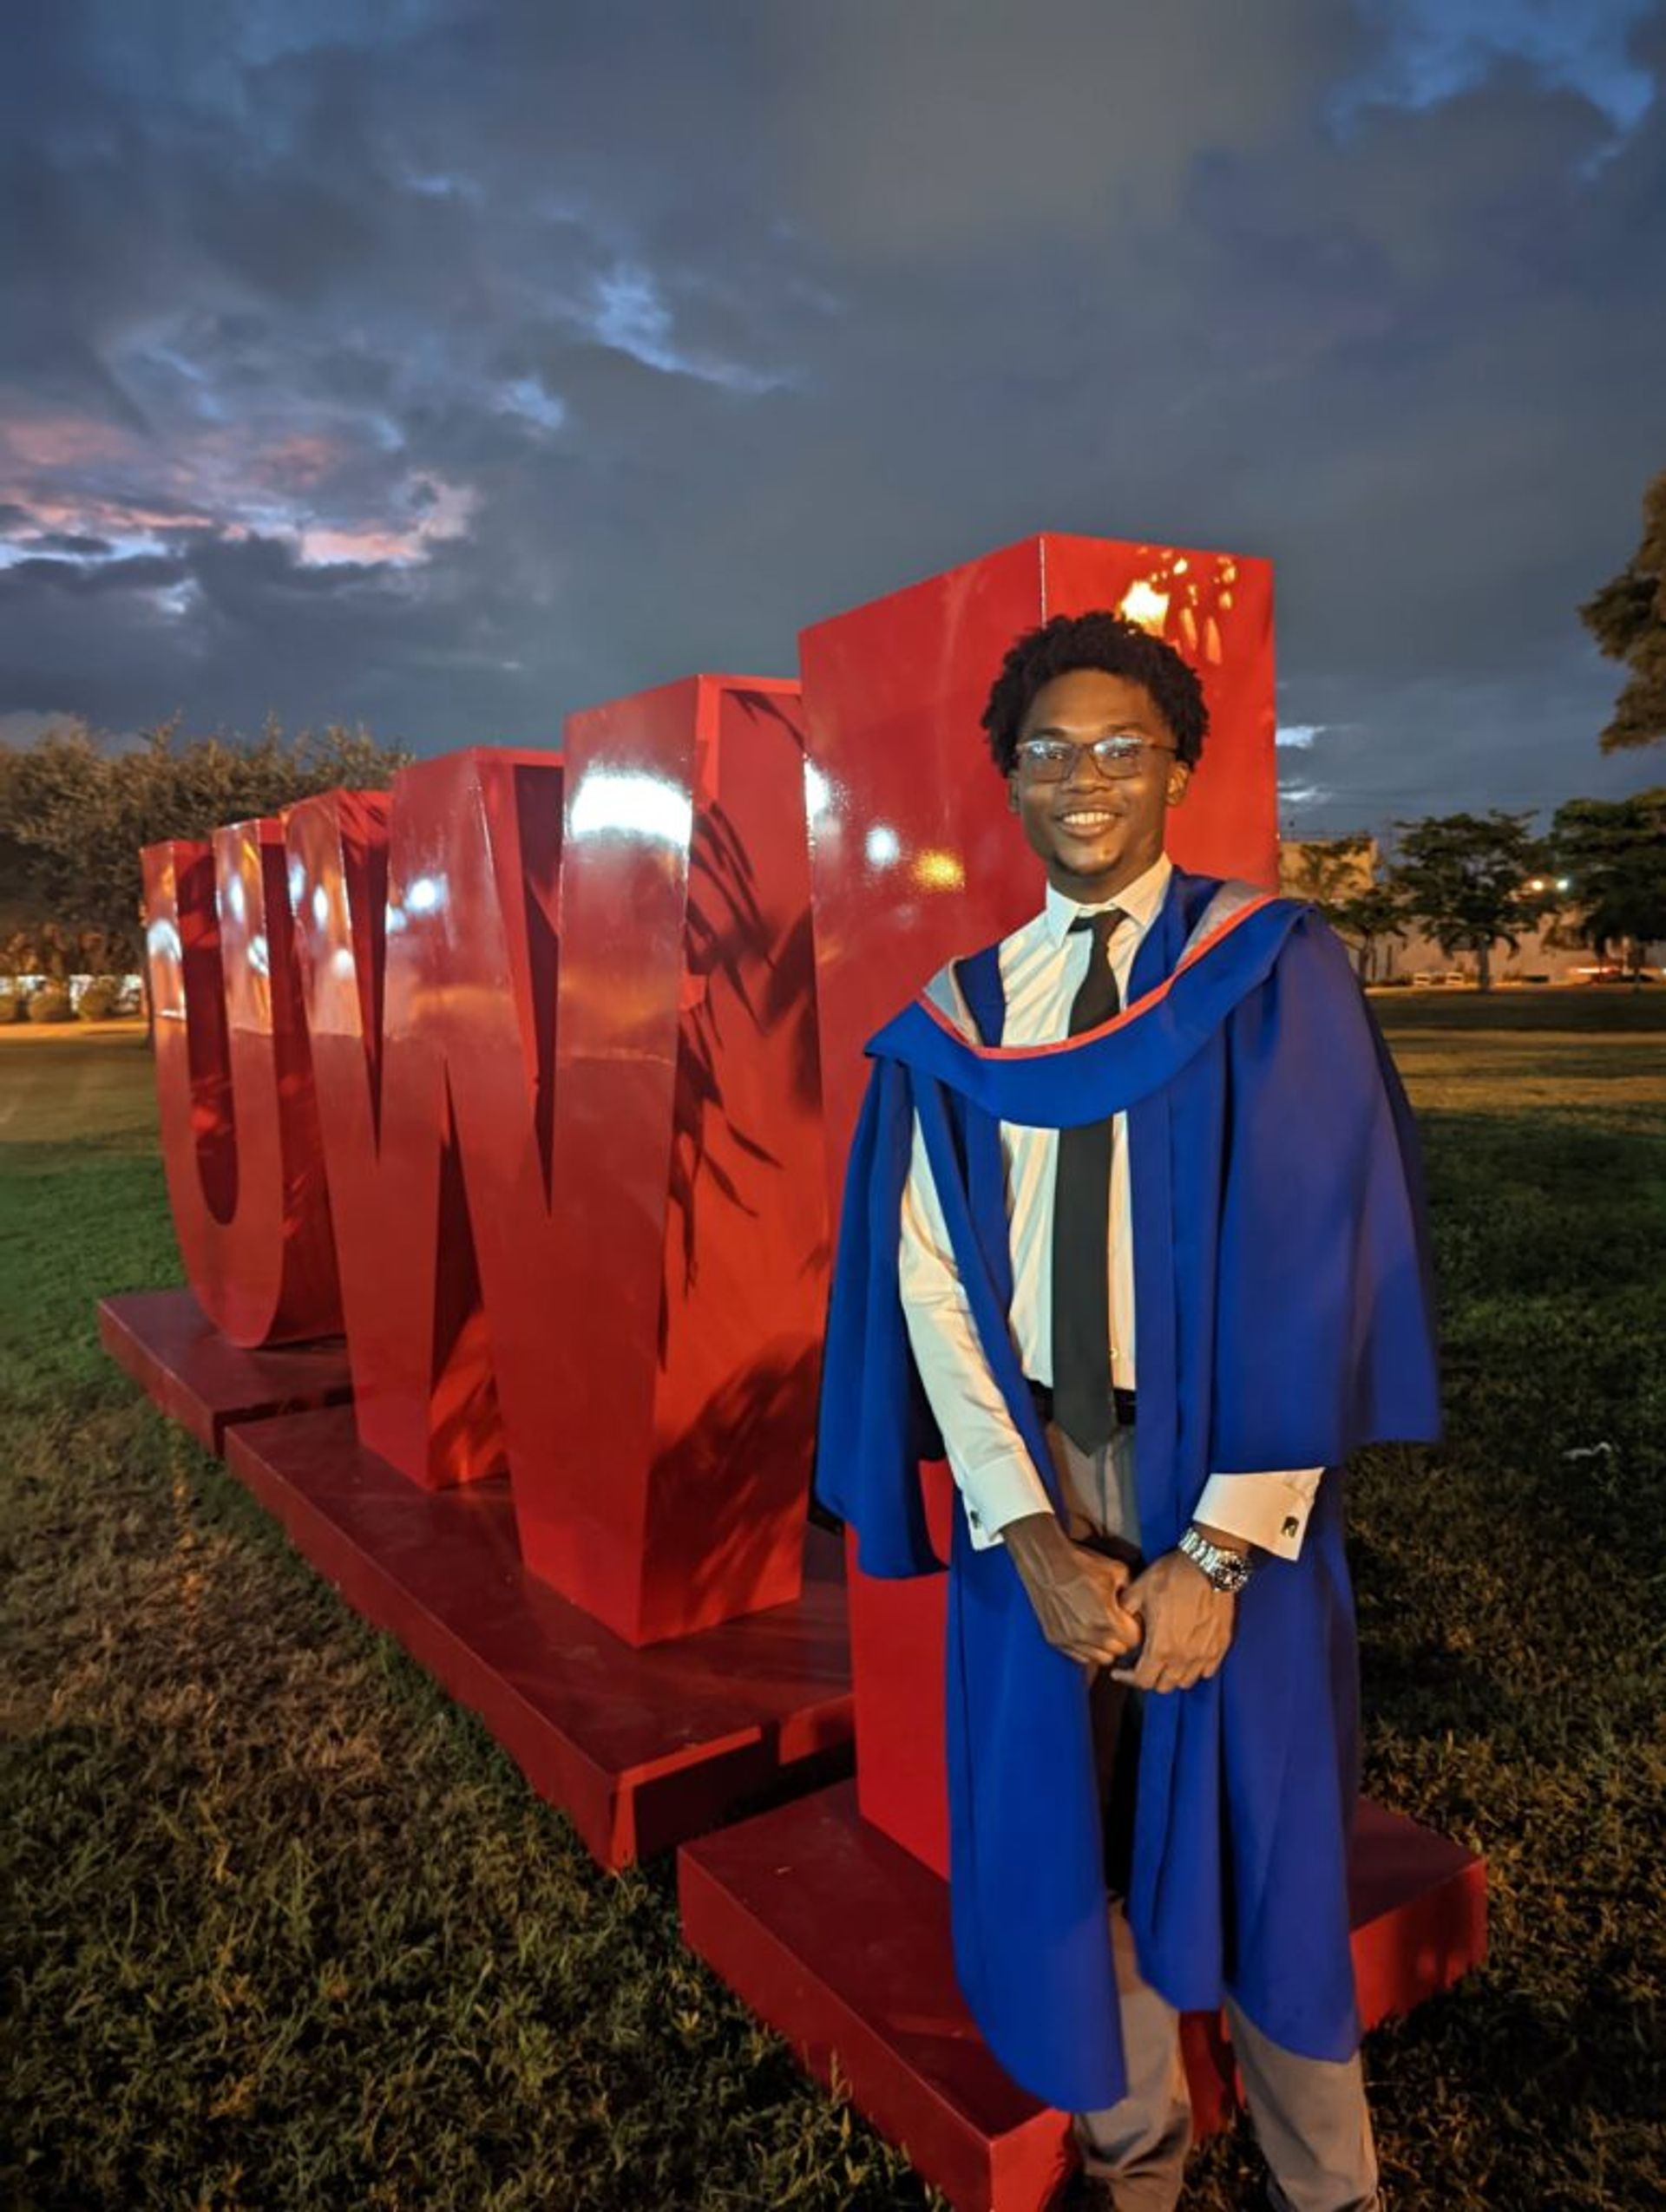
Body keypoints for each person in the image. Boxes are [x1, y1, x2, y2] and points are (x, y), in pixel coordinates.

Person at [815, 611, 1441, 2212]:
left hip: (1230, 1450)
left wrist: (1222, 1554)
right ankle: (1135, 2159)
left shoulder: (1266, 971)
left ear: (1176, 769)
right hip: (1037, 1447)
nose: (1083, 776)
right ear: (1008, 781)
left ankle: (1329, 2186)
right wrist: (1017, 1522)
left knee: (1264, 1812)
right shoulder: (961, 1014)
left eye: (1120, 746)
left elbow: (1311, 1259)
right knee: (1071, 1819)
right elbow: (931, 1281)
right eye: (1049, 749)